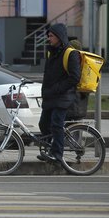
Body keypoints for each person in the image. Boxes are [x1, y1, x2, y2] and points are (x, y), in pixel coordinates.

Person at [37, 23, 81, 163]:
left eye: (51, 36)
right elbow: (47, 74)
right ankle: (49, 151)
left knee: (56, 123)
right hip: (50, 96)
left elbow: (74, 77)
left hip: (63, 96)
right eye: (48, 36)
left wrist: (56, 89)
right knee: (44, 124)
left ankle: (57, 154)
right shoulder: (51, 52)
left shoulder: (70, 53)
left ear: (59, 37)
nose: (49, 39)